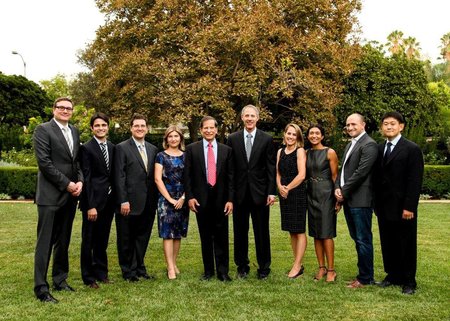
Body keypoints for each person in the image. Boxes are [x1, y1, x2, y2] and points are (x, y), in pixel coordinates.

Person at [33, 97, 83, 303]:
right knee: (45, 242)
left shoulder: (74, 131)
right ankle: (41, 288)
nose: (65, 110)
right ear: (54, 109)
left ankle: (60, 280)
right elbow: (44, 163)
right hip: (50, 195)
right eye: (61, 107)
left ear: (72, 111)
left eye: (68, 108)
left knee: (63, 241)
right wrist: (67, 184)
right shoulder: (43, 130)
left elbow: (76, 161)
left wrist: (79, 181)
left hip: (70, 196)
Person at [374, 112, 424, 295]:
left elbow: (415, 180)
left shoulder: (411, 149)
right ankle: (392, 275)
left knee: (406, 243)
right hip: (383, 206)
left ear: (401, 126)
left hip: (404, 207)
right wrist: (375, 204)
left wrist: (410, 207)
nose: (388, 127)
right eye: (385, 123)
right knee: (388, 242)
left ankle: (409, 281)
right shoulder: (379, 149)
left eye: (392, 124)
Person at [227, 104, 276, 280]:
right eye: (246, 115)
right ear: (242, 118)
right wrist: (230, 196)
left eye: (252, 116)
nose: (249, 118)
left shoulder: (267, 139)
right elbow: (230, 170)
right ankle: (242, 266)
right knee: (240, 231)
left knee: (262, 231)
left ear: (257, 118)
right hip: (240, 194)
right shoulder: (232, 139)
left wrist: (271, 192)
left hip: (260, 193)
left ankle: (264, 267)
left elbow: (271, 167)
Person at [184, 116, 234, 282]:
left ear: (217, 130)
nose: (209, 130)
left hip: (221, 199)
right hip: (200, 200)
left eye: (212, 128)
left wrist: (230, 199)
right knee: (205, 236)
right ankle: (208, 271)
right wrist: (190, 197)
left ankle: (223, 272)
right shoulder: (192, 149)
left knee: (221, 235)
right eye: (205, 128)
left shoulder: (226, 150)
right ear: (201, 130)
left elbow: (230, 177)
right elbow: (187, 176)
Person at [335, 113, 378, 288]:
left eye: (353, 124)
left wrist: (343, 192)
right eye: (347, 125)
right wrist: (337, 186)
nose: (350, 127)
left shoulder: (369, 145)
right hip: (349, 200)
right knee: (357, 238)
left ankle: (365, 278)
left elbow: (361, 173)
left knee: (363, 239)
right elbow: (343, 170)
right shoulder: (351, 144)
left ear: (363, 125)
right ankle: (362, 274)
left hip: (361, 200)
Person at [114, 113, 158, 282]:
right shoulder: (122, 147)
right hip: (129, 202)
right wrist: (123, 200)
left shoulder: (152, 149)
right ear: (131, 128)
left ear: (147, 128)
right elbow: (119, 176)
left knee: (142, 236)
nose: (140, 128)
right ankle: (127, 271)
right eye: (136, 126)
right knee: (126, 237)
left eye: (142, 126)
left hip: (148, 202)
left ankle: (139, 267)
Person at [79, 112, 115, 289]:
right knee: (89, 240)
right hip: (93, 202)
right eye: (97, 125)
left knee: (103, 238)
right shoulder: (86, 148)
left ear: (108, 127)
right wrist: (90, 206)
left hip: (109, 201)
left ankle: (101, 273)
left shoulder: (112, 147)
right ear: (92, 128)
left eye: (104, 125)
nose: (101, 128)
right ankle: (88, 277)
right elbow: (86, 178)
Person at [154, 125, 189, 280]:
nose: (173, 139)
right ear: (166, 139)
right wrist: (169, 199)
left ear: (180, 138)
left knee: (178, 233)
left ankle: (174, 263)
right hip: (165, 199)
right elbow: (157, 179)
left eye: (176, 136)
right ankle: (169, 267)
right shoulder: (160, 156)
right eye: (170, 136)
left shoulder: (186, 156)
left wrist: (182, 198)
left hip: (182, 198)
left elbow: (191, 179)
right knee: (168, 234)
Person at [305, 125, 339, 282]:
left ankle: (331, 270)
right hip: (311, 194)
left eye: (317, 133)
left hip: (326, 195)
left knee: (326, 233)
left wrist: (338, 199)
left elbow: (334, 176)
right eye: (311, 133)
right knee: (316, 234)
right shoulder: (306, 153)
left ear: (322, 136)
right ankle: (321, 268)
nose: (314, 135)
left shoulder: (329, 152)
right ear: (307, 136)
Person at [276, 123, 307, 279]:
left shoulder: (300, 151)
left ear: (298, 137)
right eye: (289, 133)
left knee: (299, 230)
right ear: (285, 134)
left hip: (297, 192)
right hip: (284, 193)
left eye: (294, 134)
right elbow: (278, 173)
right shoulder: (280, 151)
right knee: (291, 230)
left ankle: (297, 265)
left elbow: (302, 175)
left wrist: (287, 188)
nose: (290, 136)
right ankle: (298, 264)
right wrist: (280, 187)